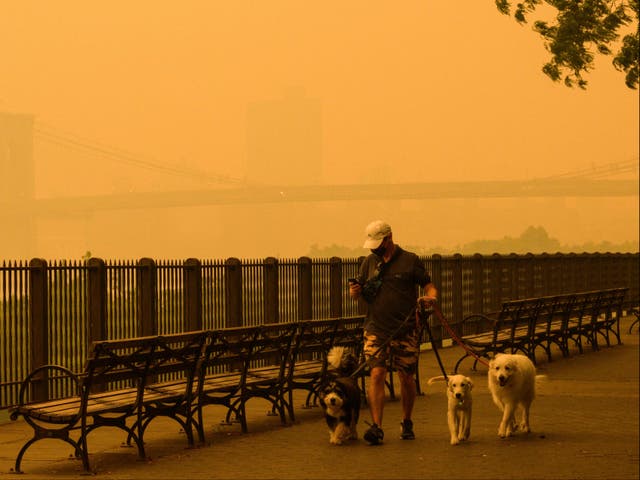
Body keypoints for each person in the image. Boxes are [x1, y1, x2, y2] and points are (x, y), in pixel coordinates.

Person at [349, 220, 438, 445]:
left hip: (405, 328)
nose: (374, 248)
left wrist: (431, 298)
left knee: (406, 377)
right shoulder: (369, 262)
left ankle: (406, 422)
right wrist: (354, 292)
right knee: (377, 373)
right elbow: (358, 293)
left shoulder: (410, 261)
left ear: (389, 239)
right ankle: (377, 426)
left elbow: (428, 285)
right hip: (375, 328)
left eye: (378, 244)